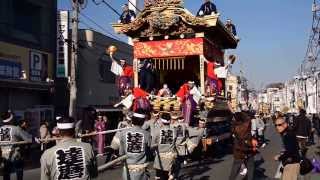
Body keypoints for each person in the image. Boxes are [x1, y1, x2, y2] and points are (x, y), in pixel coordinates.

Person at [118, 109, 152, 180]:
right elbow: (149, 152)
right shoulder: (146, 134)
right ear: (143, 121)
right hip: (141, 170)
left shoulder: (123, 133)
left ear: (132, 120)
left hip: (127, 169)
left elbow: (121, 153)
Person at [0, 111, 33, 180]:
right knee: (19, 171)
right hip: (15, 155)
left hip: (4, 155)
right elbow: (28, 138)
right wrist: (34, 138)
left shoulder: (0, 129)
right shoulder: (16, 128)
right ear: (11, 119)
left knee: (6, 174)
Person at [229, 112, 257, 180]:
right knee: (250, 166)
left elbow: (233, 132)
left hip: (238, 149)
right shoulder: (246, 124)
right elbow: (248, 137)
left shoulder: (235, 126)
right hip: (248, 148)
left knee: (236, 166)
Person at [153, 112, 177, 180]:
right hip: (169, 157)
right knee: (166, 176)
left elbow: (153, 144)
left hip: (159, 158)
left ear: (161, 120)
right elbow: (175, 142)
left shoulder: (157, 130)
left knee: (159, 176)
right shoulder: (174, 130)